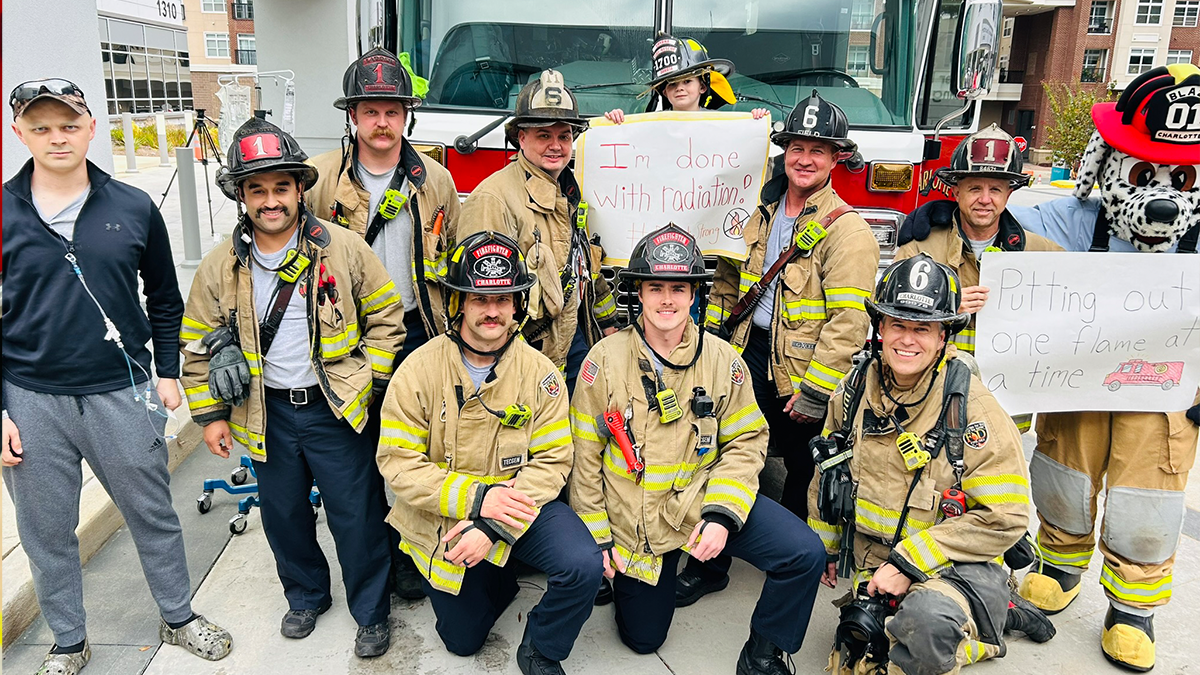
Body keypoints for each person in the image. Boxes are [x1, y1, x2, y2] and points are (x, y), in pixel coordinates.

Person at [899, 65, 1200, 671]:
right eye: (1145, 172)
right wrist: (930, 216)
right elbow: (991, 228)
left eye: (998, 186)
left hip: (1163, 390)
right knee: (1064, 475)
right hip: (1078, 385)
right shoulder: (1069, 224)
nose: (1163, 191)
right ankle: (1060, 567)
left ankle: (1132, 611)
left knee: (1148, 499)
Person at [2, 78, 232, 674]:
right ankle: (68, 642)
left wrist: (167, 372)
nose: (57, 137)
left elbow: (164, 296)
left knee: (152, 512)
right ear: (18, 131)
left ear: (91, 128)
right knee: (47, 532)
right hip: (31, 398)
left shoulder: (131, 206)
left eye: (69, 124)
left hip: (122, 391)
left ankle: (178, 617)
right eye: (42, 126)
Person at [181, 117, 405, 658]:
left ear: (300, 188)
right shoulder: (218, 267)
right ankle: (306, 596)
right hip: (267, 415)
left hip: (334, 410)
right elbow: (194, 341)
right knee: (283, 516)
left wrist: (366, 383)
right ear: (241, 196)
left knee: (358, 516)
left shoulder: (345, 249)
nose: (271, 200)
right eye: (256, 189)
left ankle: (372, 612)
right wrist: (211, 416)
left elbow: (386, 316)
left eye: (281, 187)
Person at [569, 224, 826, 675]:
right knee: (644, 640)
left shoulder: (724, 360)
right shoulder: (603, 360)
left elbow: (747, 441)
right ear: (639, 294)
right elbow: (585, 460)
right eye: (655, 287)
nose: (667, 299)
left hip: (702, 502)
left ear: (693, 296)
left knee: (803, 553)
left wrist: (722, 515)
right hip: (639, 522)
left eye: (678, 288)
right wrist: (598, 538)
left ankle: (763, 654)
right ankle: (641, 583)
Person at [808, 255, 1053, 675]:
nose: (907, 340)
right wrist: (825, 549)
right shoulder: (852, 394)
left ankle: (988, 624)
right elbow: (828, 478)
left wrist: (908, 564)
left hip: (952, 567)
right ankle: (992, 613)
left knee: (925, 626)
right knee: (855, 659)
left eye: (922, 328)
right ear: (879, 328)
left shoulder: (974, 412)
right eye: (897, 324)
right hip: (876, 565)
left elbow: (1007, 517)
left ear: (944, 337)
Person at [681, 90, 879, 607]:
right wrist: (715, 346)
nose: (805, 158)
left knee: (801, 467)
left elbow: (849, 321)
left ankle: (794, 559)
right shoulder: (758, 212)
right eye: (797, 147)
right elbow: (728, 281)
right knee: (721, 450)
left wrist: (816, 389)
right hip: (747, 352)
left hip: (799, 373)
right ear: (784, 151)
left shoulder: (849, 231)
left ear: (837, 157)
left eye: (819, 149)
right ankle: (711, 563)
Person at [377, 231, 602, 675]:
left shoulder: (541, 374)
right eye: (479, 298)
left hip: (517, 507)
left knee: (582, 565)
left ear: (519, 304)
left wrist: (492, 525)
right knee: (463, 641)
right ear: (458, 301)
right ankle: (499, 578)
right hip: (446, 514)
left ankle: (541, 647)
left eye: (503, 298)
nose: (493, 311)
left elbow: (554, 460)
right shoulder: (418, 370)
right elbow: (398, 464)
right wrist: (476, 501)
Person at [306, 46, 461, 600]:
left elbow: (456, 262)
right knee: (360, 458)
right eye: (369, 110)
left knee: (424, 449)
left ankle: (408, 553)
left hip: (420, 331)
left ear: (406, 116)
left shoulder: (436, 181)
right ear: (352, 115)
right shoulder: (318, 181)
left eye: (391, 110)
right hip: (349, 341)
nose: (381, 121)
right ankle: (373, 560)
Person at [456, 70, 619, 390]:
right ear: (521, 137)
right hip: (519, 361)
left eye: (564, 136)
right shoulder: (494, 200)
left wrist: (610, 325)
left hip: (572, 343)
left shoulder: (567, 193)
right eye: (543, 135)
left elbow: (585, 269)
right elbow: (481, 301)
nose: (556, 146)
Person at [894, 125, 1061, 432]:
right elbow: (890, 318)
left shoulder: (1042, 253)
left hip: (1004, 407)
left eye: (995, 189)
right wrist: (946, 306)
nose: (985, 199)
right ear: (955, 191)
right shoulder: (918, 248)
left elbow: (1076, 313)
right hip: (930, 401)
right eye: (974, 188)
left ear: (1009, 193)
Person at [603, 34, 767, 123]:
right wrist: (615, 123)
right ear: (665, 92)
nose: (679, 88)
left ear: (702, 87)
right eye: (672, 84)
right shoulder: (650, 125)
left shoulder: (719, 124)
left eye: (687, 81)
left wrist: (755, 122)